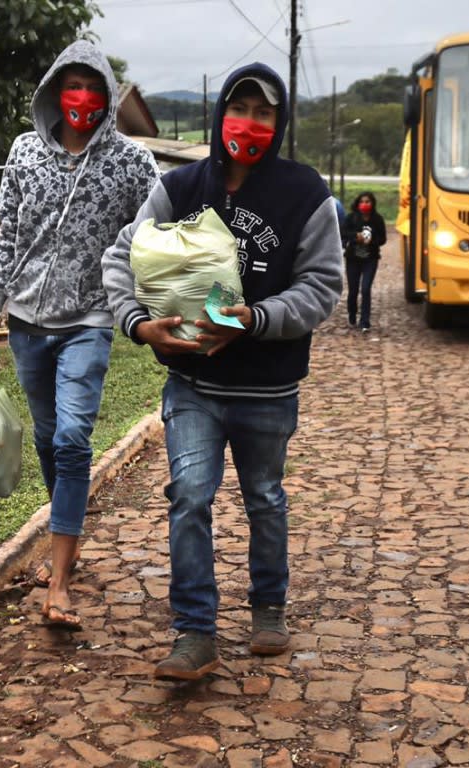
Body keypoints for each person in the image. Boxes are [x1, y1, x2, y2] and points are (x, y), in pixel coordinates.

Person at [102, 63, 342, 681]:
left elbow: (322, 287)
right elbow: (119, 257)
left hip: (268, 388)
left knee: (264, 498)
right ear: (220, 116)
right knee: (188, 497)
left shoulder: (304, 193)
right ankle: (195, 633)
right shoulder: (179, 187)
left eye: (265, 114)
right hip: (193, 388)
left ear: (280, 122)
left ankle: (268, 609)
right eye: (241, 109)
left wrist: (256, 320)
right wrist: (136, 323)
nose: (251, 124)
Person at [0, 40, 159, 630]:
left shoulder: (129, 162)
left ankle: (59, 583)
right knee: (51, 443)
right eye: (71, 86)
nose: (82, 99)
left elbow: (161, 221)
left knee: (74, 440)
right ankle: (65, 543)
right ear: (53, 92)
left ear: (106, 95)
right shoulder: (25, 152)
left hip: (90, 320)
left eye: (92, 87)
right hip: (27, 323)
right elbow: (9, 238)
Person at [343, 191, 387, 332]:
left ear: (372, 203)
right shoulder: (351, 218)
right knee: (353, 290)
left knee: (366, 289)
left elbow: (383, 238)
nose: (364, 204)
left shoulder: (377, 219)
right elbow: (342, 232)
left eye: (367, 201)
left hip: (370, 259)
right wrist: (355, 237)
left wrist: (372, 241)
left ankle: (365, 321)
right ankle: (352, 312)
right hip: (353, 259)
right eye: (362, 201)